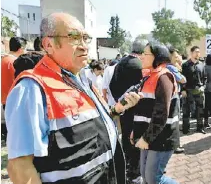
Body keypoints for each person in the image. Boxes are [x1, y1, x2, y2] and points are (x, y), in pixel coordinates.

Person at [5, 13, 142, 184]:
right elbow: (20, 168)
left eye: (86, 38)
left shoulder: (81, 80)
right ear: (48, 44)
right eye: (74, 37)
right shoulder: (31, 89)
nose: (84, 46)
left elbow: (89, 126)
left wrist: (117, 109)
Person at [131, 43, 179, 184]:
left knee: (153, 178)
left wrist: (146, 138)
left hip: (161, 137)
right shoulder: (148, 76)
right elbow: (143, 109)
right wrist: (137, 131)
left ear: (157, 57)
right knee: (145, 177)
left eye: (146, 54)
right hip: (148, 135)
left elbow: (161, 113)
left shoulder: (164, 77)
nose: (141, 57)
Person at [104, 39, 146, 183]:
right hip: (135, 108)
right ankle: (135, 173)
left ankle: (128, 167)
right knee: (135, 138)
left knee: (126, 136)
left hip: (123, 108)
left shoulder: (120, 62)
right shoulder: (138, 65)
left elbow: (112, 84)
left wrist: (121, 101)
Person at [1, 37, 27, 139]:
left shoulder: (3, 60)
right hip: (15, 101)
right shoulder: (15, 62)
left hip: (5, 101)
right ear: (21, 49)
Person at [182, 46, 206, 134]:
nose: (198, 53)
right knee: (186, 110)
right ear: (191, 53)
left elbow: (204, 77)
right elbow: (182, 78)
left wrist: (203, 86)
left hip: (199, 90)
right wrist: (183, 89)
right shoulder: (185, 65)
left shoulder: (201, 64)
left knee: (200, 110)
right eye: (196, 52)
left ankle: (200, 127)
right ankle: (185, 128)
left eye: (199, 52)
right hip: (188, 90)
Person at [167, 46, 186, 154]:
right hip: (174, 97)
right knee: (175, 120)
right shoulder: (171, 67)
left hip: (171, 96)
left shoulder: (165, 66)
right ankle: (175, 145)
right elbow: (183, 80)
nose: (177, 58)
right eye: (175, 56)